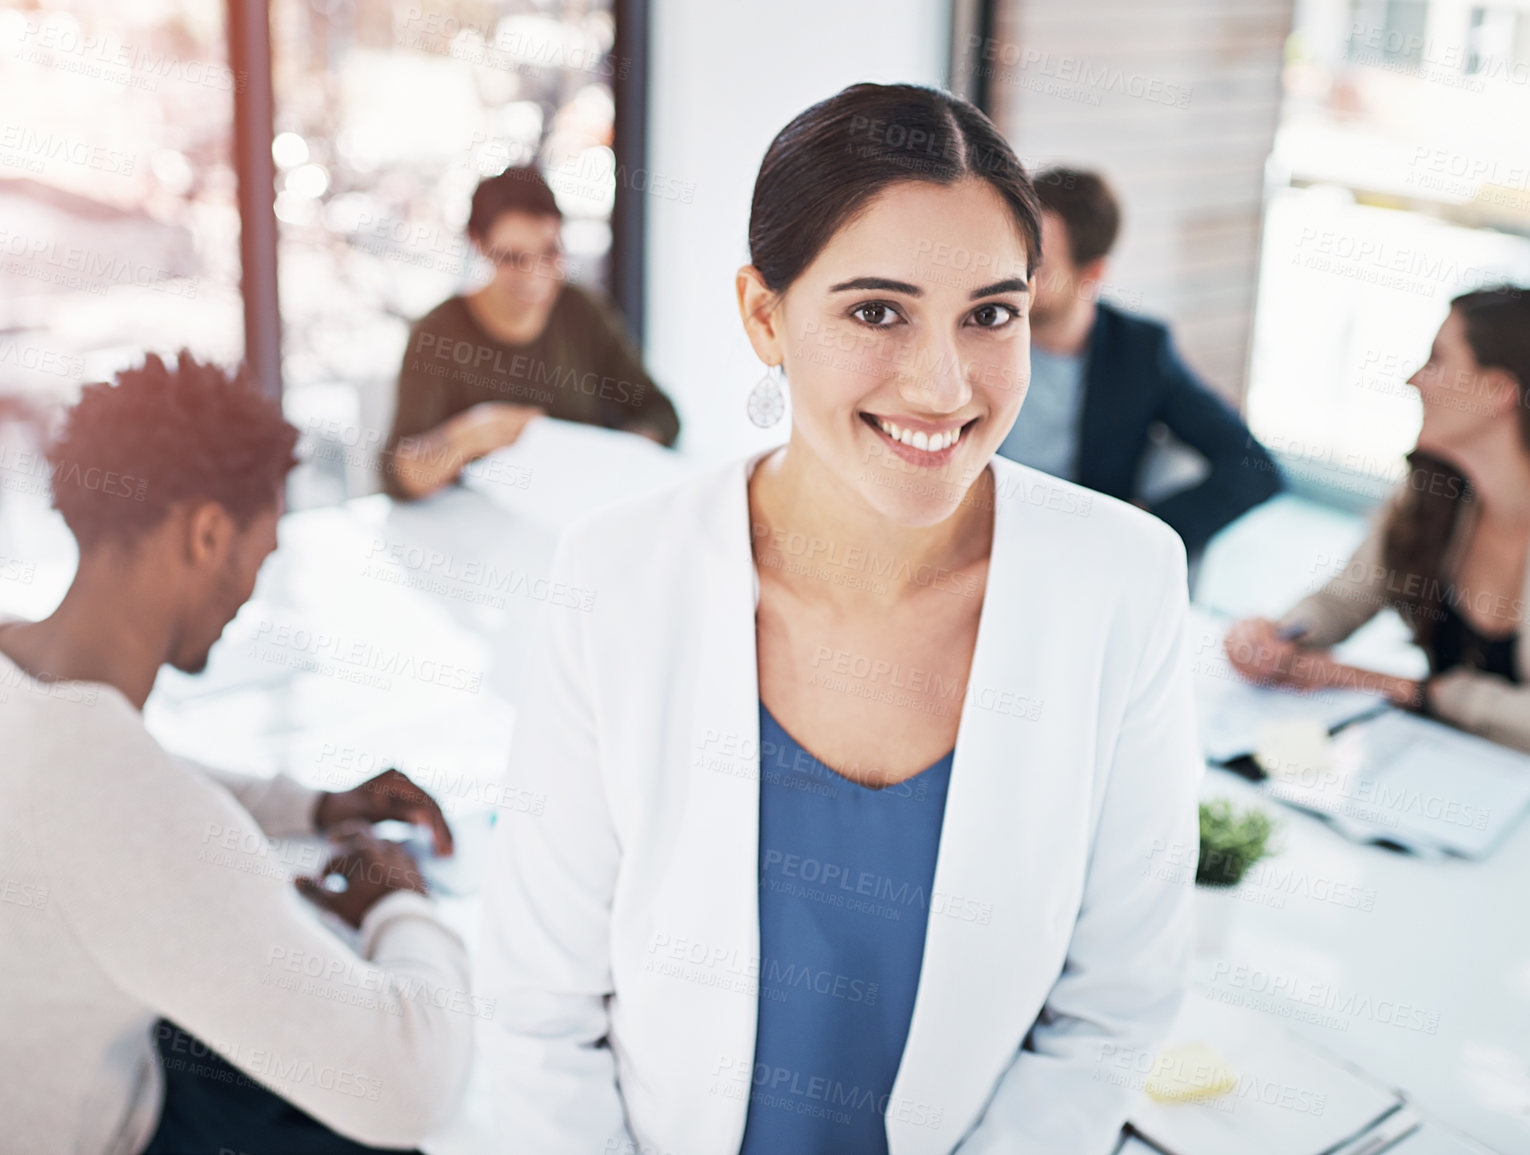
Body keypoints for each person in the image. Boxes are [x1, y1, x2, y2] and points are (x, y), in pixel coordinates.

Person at [479, 84, 1202, 1155]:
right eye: (877, 311)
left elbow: (1111, 1013)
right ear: (765, 317)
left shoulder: (1123, 581)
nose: (945, 384)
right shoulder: (619, 579)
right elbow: (535, 1019)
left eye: (990, 314)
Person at [0, 352, 475, 1153]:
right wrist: (400, 899)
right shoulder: (121, 808)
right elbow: (410, 1088)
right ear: (209, 531)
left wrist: (313, 808)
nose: (256, 582)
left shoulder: (30, 683)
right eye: (264, 546)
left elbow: (98, 781)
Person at [1226, 285, 1530, 805]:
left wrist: (1395, 687)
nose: (1414, 379)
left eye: (1437, 361)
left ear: (1496, 391)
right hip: (1475, 788)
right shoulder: (1434, 494)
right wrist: (1278, 634)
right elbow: (1342, 600)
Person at [994, 166, 1281, 558]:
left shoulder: (1140, 352)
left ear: (1091, 274)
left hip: (1076, 555)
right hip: (972, 532)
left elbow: (1253, 468)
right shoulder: (979, 323)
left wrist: (1142, 526)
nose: (1014, 277)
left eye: (1037, 267)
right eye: (1013, 254)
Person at [381, 164, 681, 499]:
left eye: (551, 252)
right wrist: (476, 434)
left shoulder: (580, 309)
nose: (535, 277)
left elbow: (660, 412)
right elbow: (397, 476)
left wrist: (623, 453)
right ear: (478, 244)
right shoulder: (437, 335)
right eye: (512, 258)